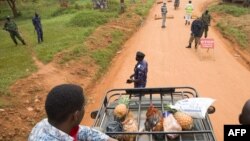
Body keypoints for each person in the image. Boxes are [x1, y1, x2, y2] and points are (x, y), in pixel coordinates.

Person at [28, 84, 117, 141]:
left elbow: (84, 132)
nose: (84, 109)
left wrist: (108, 139)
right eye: (83, 106)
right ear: (76, 115)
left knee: (98, 131)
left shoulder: (42, 125)